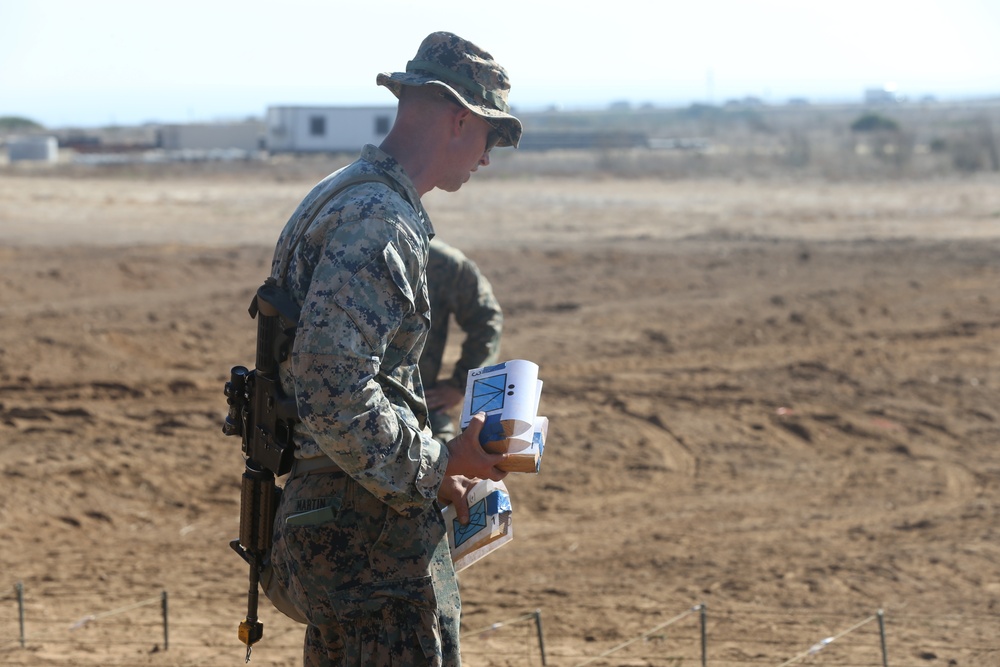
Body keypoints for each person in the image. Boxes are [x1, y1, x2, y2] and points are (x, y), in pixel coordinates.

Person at [266, 31, 522, 666]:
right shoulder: (379, 220)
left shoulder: (348, 194)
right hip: (366, 546)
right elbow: (334, 386)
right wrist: (438, 465)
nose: (486, 158)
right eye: (489, 136)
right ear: (462, 119)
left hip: (345, 526)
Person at [420, 238, 503, 445]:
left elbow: (486, 319)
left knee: (447, 467)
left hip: (416, 401)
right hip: (344, 403)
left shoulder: (441, 262)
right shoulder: (337, 247)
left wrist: (460, 383)